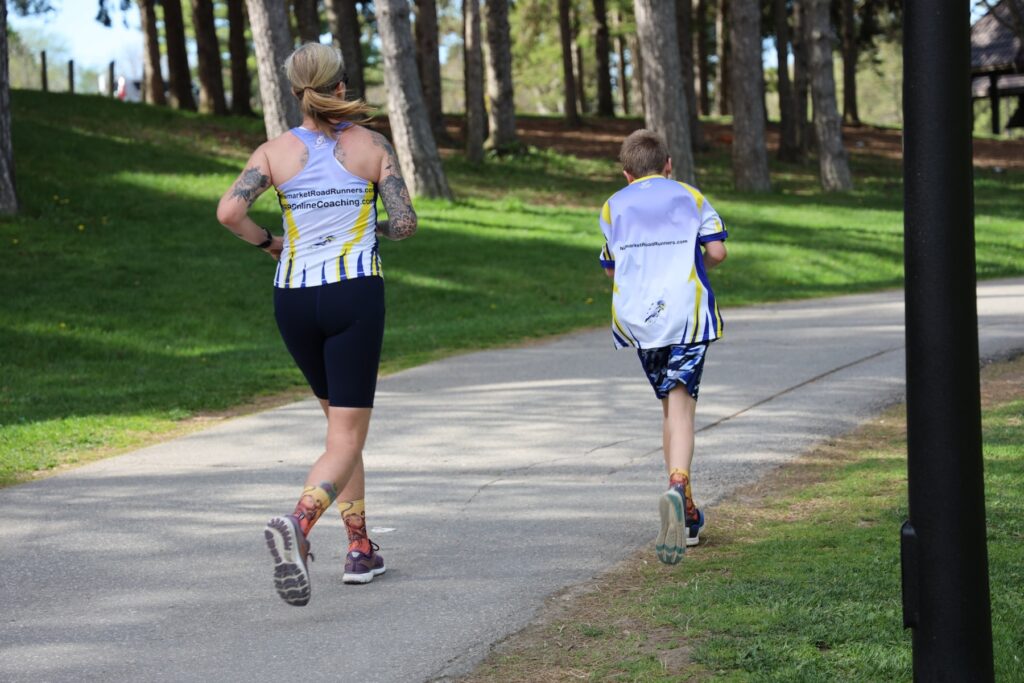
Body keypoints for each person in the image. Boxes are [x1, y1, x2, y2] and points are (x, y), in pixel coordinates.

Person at [216, 43, 417, 606]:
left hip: (294, 298)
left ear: (296, 90)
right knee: (348, 436)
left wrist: (269, 244)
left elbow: (229, 212)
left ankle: (360, 549)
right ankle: (298, 526)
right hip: (353, 293)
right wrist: (366, 222)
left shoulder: (274, 152)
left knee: (338, 432)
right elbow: (403, 224)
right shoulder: (371, 145)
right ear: (341, 83)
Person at [597, 129, 727, 565]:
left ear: (627, 173)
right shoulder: (689, 195)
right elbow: (718, 252)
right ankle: (677, 486)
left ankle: (687, 514)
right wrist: (696, 261)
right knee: (682, 406)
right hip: (686, 316)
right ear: (668, 164)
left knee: (668, 408)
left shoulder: (614, 205)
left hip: (641, 322)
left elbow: (612, 268)